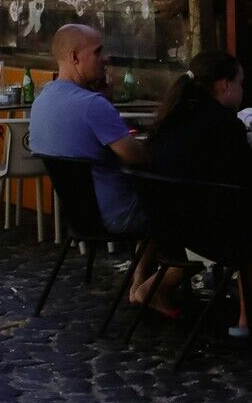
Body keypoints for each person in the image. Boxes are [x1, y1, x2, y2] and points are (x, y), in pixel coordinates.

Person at [29, 24, 171, 312]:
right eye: (98, 51)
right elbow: (135, 156)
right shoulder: (91, 105)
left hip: (80, 216)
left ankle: (140, 278)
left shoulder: (43, 100)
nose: (105, 58)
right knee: (179, 206)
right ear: (75, 57)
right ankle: (154, 284)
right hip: (117, 214)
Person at [148, 51, 252, 335]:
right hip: (210, 233)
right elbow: (242, 182)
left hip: (167, 229)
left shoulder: (171, 118)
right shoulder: (224, 125)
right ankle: (246, 318)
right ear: (224, 85)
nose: (243, 90)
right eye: (241, 83)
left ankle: (148, 287)